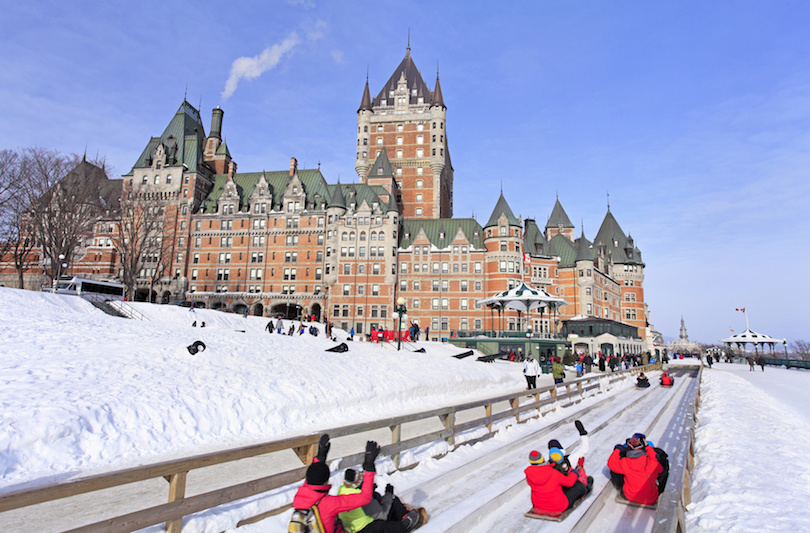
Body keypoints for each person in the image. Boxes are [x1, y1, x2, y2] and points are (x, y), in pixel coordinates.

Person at [289, 435, 381, 533]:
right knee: (381, 526)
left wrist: (320, 456)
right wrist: (369, 467)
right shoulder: (328, 504)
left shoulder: (301, 498)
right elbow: (365, 497)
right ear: (327, 481)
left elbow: (314, 477)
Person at [525, 420, 593, 517]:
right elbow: (584, 449)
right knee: (580, 485)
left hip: (543, 501)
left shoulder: (545, 467)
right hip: (559, 499)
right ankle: (586, 487)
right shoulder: (568, 460)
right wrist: (583, 433)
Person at [337, 470, 422, 532]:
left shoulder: (342, 491)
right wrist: (389, 494)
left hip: (352, 527)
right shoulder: (362, 499)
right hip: (366, 526)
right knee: (392, 500)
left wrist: (371, 491)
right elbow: (383, 515)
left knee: (378, 497)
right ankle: (405, 524)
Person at [607, 433, 669, 506]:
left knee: (615, 469)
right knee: (663, 465)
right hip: (650, 499)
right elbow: (657, 462)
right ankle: (657, 489)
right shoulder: (653, 463)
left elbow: (611, 463)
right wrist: (648, 447)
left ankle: (623, 488)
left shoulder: (625, 462)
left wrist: (617, 450)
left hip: (629, 497)